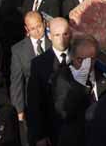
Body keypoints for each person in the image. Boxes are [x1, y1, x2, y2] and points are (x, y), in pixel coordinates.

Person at [50, 34, 106, 146]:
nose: (85, 65)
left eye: (90, 59)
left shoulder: (105, 80)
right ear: (72, 57)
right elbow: (63, 112)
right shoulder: (62, 77)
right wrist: (79, 85)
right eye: (80, 59)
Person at [27, 17, 72, 146]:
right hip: (52, 131)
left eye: (65, 34)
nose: (61, 39)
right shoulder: (39, 64)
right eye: (57, 35)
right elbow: (34, 102)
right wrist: (39, 135)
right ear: (49, 36)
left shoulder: (79, 57)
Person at [10, 12, 51, 130]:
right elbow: (16, 82)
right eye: (32, 28)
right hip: (32, 104)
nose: (37, 31)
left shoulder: (55, 42)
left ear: (44, 24)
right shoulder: (18, 50)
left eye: (39, 26)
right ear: (26, 29)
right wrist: (18, 109)